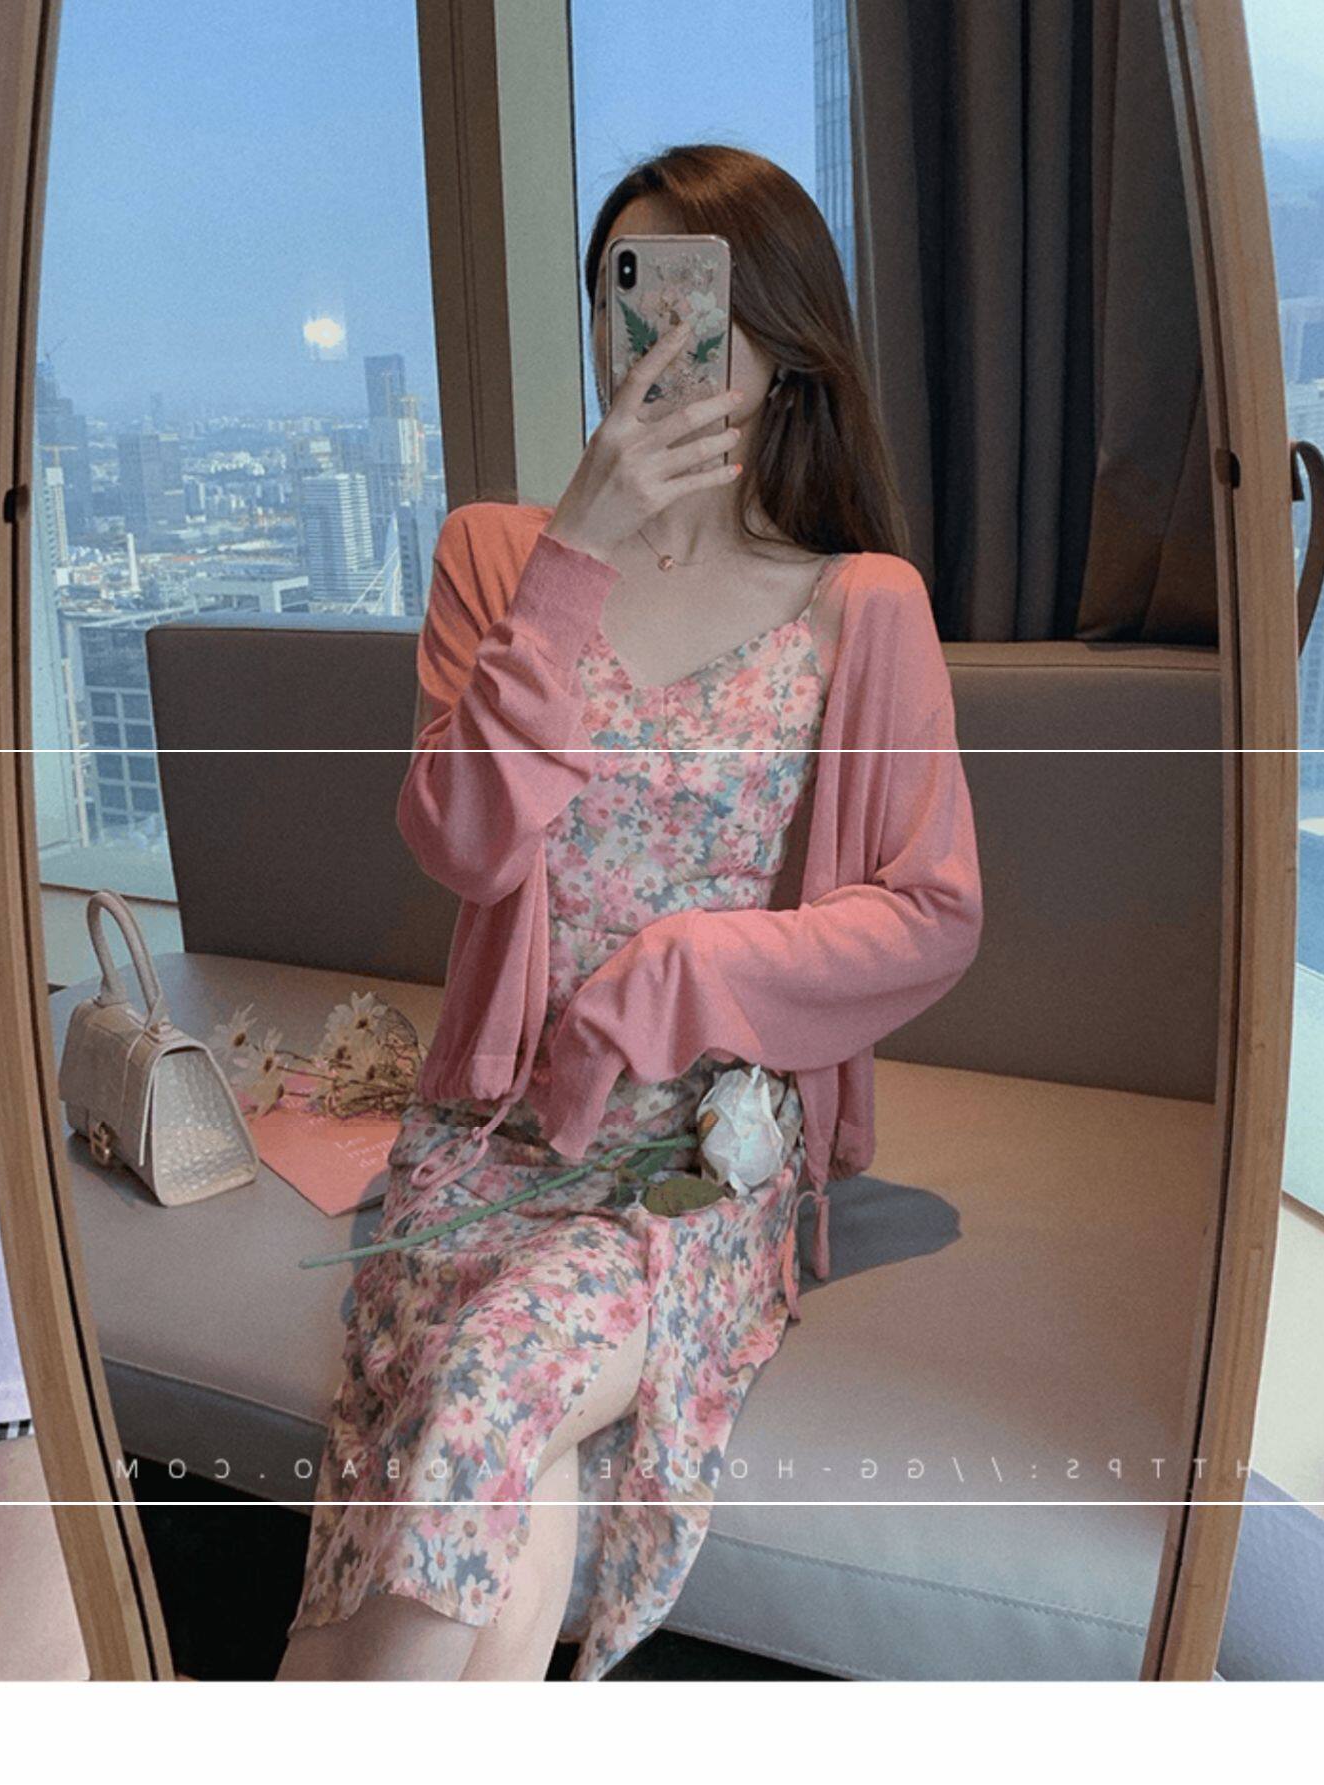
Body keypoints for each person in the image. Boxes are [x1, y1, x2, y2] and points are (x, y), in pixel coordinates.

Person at [276, 142, 981, 1684]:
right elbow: (461, 842)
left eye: (695, 302)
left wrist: (682, 965)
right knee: (507, 1476)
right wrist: (574, 560)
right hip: (491, 1134)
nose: (653, 336)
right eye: (625, 294)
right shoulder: (497, 555)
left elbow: (933, 912)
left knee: (486, 1379)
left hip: (708, 1151)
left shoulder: (863, 601)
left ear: (784, 342)